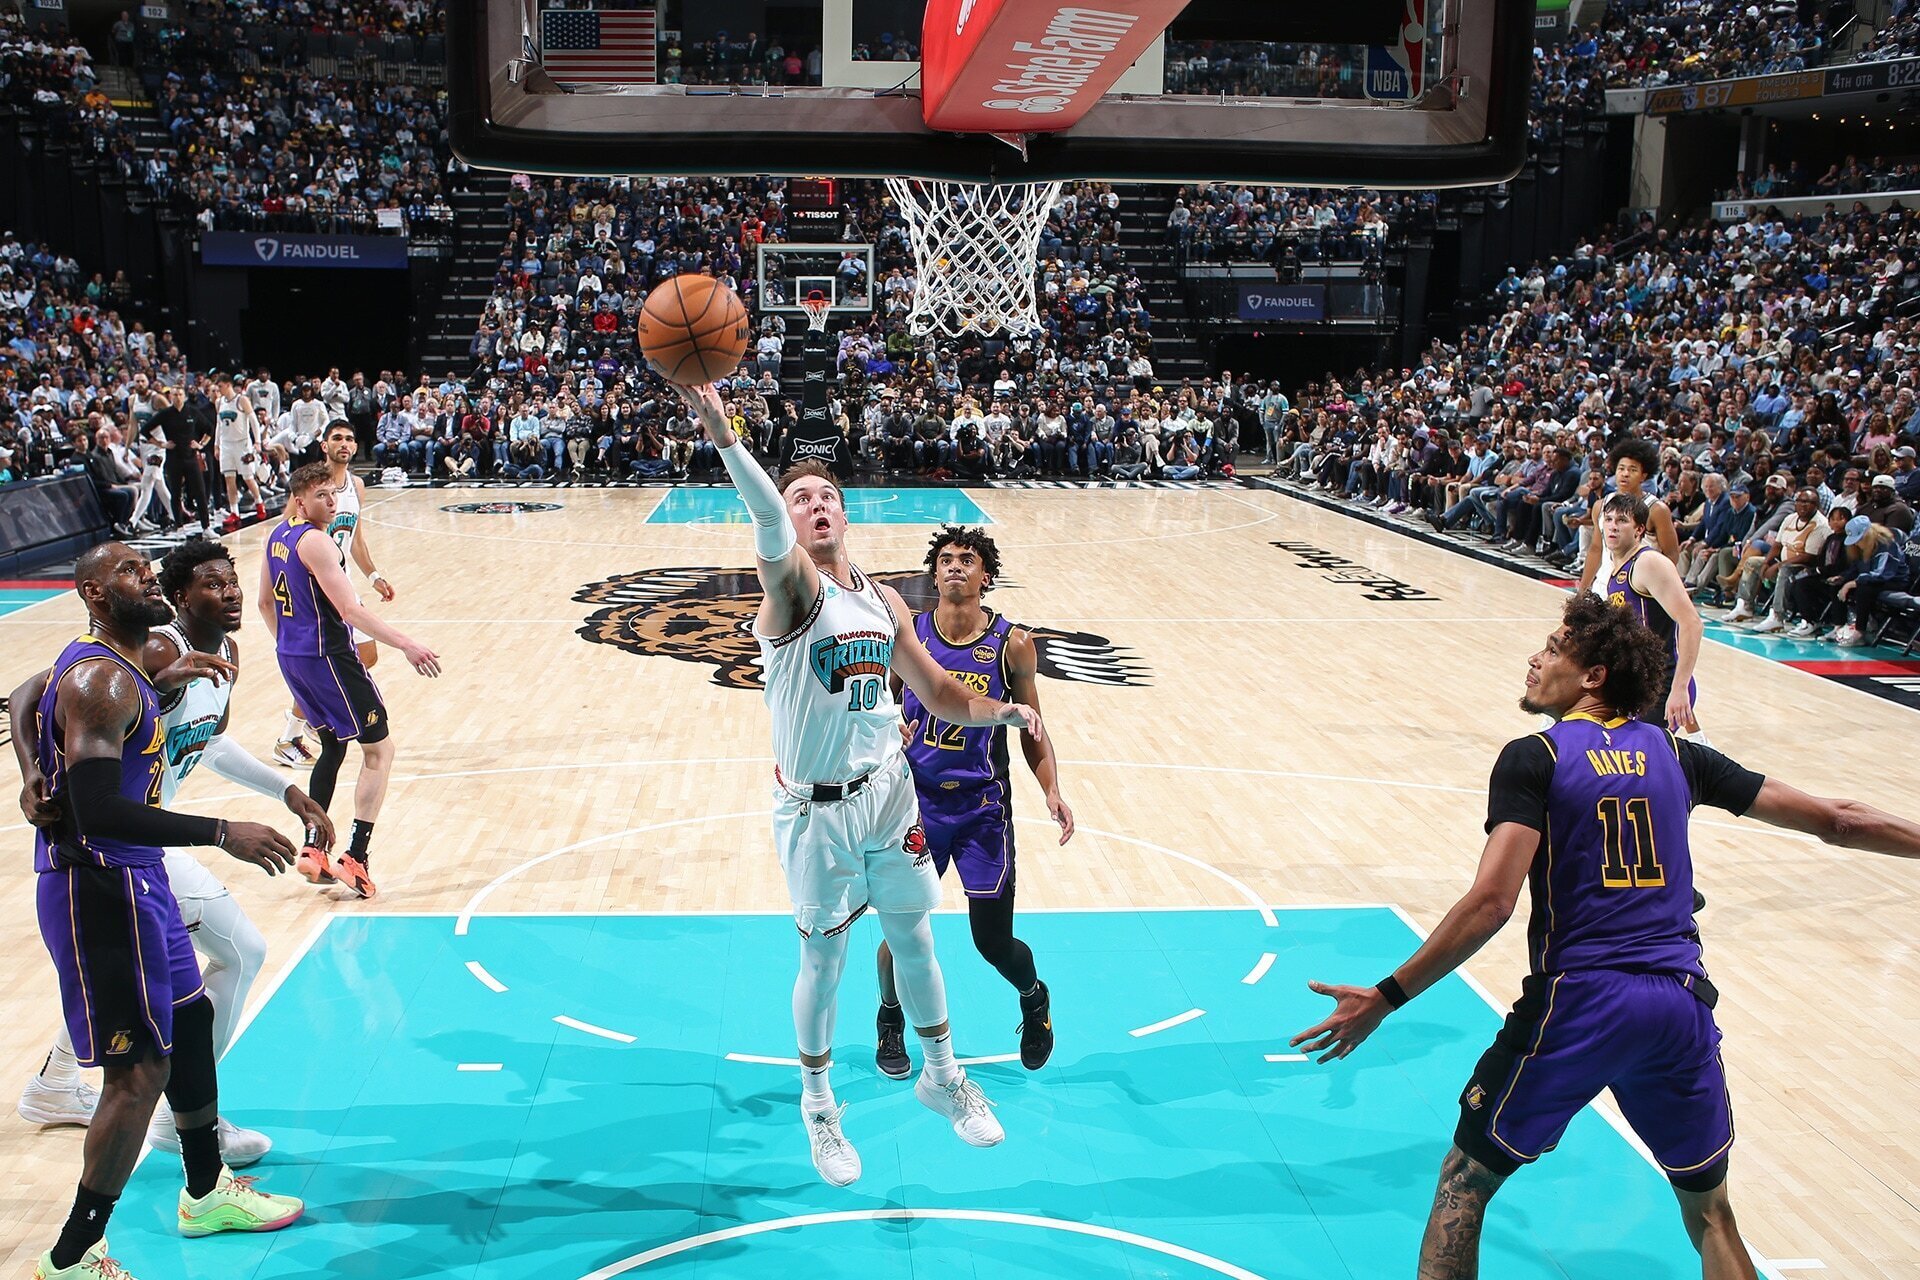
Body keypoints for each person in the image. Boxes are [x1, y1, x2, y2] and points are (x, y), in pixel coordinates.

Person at [1290, 593, 1920, 1280]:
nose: (1535, 658)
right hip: (1680, 1005)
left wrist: (1387, 995)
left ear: (1593, 676)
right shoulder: (1680, 757)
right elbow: (1840, 819)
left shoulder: (1535, 757)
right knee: (1711, 1214)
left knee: (1462, 1187)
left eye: (1554, 649)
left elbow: (1492, 903)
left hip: (1582, 1003)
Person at [672, 380, 1042, 1188]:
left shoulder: (879, 598)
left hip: (888, 796)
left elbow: (941, 692)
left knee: (915, 937)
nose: (814, 506)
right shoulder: (793, 590)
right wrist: (723, 432)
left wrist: (1007, 712)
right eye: (801, 497)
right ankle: (818, 1107)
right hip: (816, 813)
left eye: (827, 496)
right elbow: (766, 521)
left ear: (847, 513)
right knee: (827, 965)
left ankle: (944, 1079)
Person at [19, 542, 305, 1280]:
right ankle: (72, 1258)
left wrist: (28, 769)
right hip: (100, 881)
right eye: (129, 573)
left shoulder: (127, 665)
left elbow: (24, 696)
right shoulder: (101, 678)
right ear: (92, 593)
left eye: (148, 570)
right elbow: (100, 812)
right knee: (137, 1074)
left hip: (138, 873)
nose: (145, 578)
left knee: (191, 1018)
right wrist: (222, 832)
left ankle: (207, 1192)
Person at [874, 527, 1074, 1080]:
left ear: (987, 575)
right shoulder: (907, 635)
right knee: (900, 930)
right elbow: (882, 710)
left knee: (992, 942)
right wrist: (893, 738)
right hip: (914, 807)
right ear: (932, 575)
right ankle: (890, 1017)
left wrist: (1051, 789)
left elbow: (1033, 727)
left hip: (984, 810)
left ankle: (1034, 999)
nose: (955, 567)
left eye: (968, 560)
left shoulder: (1014, 644)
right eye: (946, 560)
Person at [260, 464, 440, 900]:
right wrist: (406, 644)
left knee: (332, 746)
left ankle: (314, 847)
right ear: (299, 501)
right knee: (379, 750)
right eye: (320, 495)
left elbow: (266, 603)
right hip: (331, 659)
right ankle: (356, 857)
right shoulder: (317, 542)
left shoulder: (277, 537)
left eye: (332, 494)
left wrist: (293, 646)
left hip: (293, 657)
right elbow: (351, 612)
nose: (331, 501)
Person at [275, 420, 397, 771]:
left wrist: (373, 575)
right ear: (324, 444)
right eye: (337, 438)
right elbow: (287, 533)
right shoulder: (310, 485)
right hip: (316, 587)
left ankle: (314, 718)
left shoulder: (356, 485)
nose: (344, 443)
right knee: (326, 662)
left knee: (367, 654)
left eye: (349, 438)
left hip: (341, 582)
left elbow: (355, 538)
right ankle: (291, 734)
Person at [1600, 493, 1705, 736]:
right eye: (1609, 519)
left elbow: (1692, 624)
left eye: (1622, 520)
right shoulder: (1618, 569)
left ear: (1639, 529)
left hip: (1662, 683)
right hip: (1639, 681)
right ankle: (1702, 748)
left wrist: (1679, 689)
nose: (1613, 526)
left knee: (1639, 760)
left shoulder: (1648, 563)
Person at [1577, 437, 1680, 594]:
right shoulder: (1601, 505)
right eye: (1621, 468)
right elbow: (1596, 549)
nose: (1625, 474)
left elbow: (1671, 553)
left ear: (1643, 476)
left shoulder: (1657, 509)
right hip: (1604, 586)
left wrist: (1660, 589)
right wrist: (1583, 589)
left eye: (1632, 470)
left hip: (1640, 590)